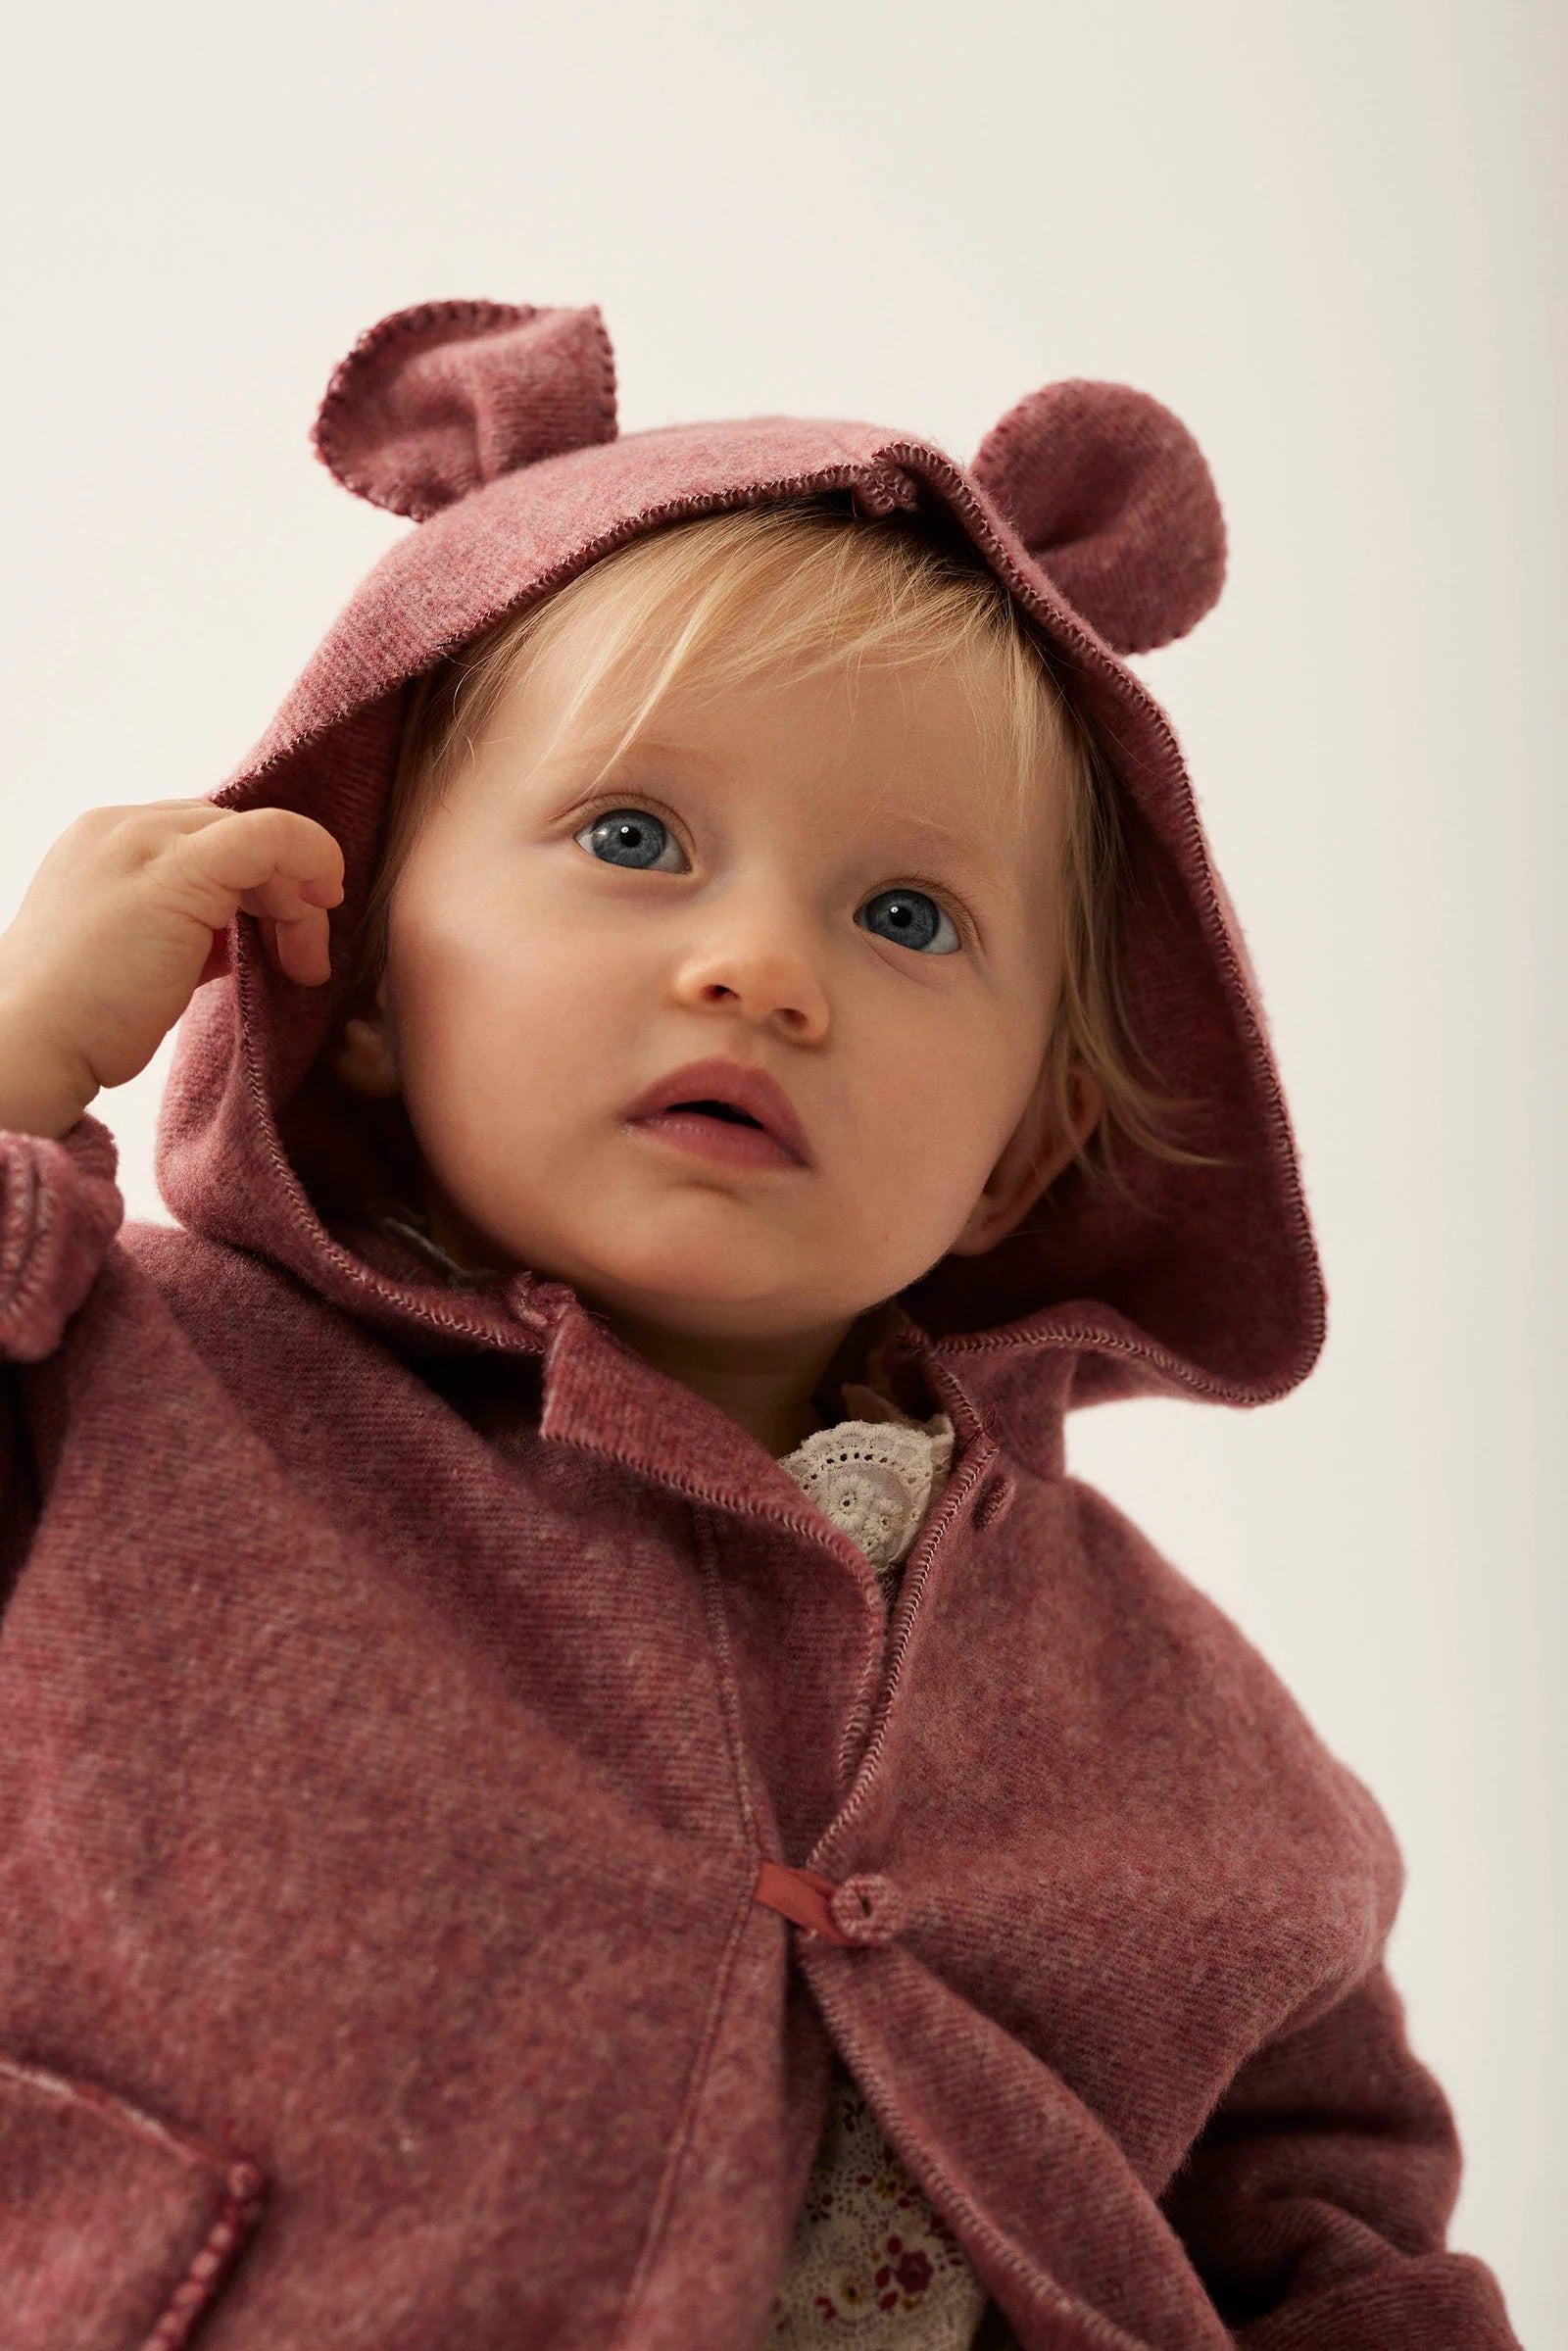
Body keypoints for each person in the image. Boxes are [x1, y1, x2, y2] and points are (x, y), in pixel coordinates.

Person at [0, 299, 1520, 2349]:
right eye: (632, 839)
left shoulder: (1171, 1719)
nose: (760, 970)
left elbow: (1329, 2217)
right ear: (353, 976)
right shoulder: (114, 1386)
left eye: (905, 917)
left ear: (1020, 1150)